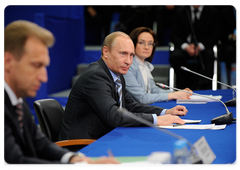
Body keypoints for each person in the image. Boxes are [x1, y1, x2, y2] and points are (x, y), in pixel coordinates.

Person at [2, 20, 119, 165]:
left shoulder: (17, 101)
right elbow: (14, 163)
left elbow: (39, 143)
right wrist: (81, 166)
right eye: (36, 65)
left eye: (44, 66)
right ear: (8, 61)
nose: (43, 77)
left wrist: (75, 159)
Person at [59, 31, 188, 141]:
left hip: (103, 136)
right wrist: (156, 120)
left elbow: (131, 106)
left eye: (131, 55)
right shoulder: (96, 76)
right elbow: (114, 116)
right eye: (123, 54)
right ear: (106, 52)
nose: (128, 61)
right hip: (83, 145)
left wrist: (164, 112)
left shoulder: (116, 74)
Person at [123, 27, 192, 104]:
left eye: (150, 43)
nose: (146, 47)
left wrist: (178, 93)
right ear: (132, 44)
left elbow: (154, 90)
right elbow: (142, 98)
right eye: (141, 43)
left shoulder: (144, 65)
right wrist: (174, 95)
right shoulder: (128, 67)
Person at [169, 3, 220, 90]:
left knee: (209, 55)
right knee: (175, 57)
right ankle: (182, 86)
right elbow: (174, 35)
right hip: (185, 46)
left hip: (204, 46)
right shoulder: (181, 11)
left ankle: (203, 87)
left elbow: (216, 35)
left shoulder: (212, 12)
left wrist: (200, 46)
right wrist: (186, 46)